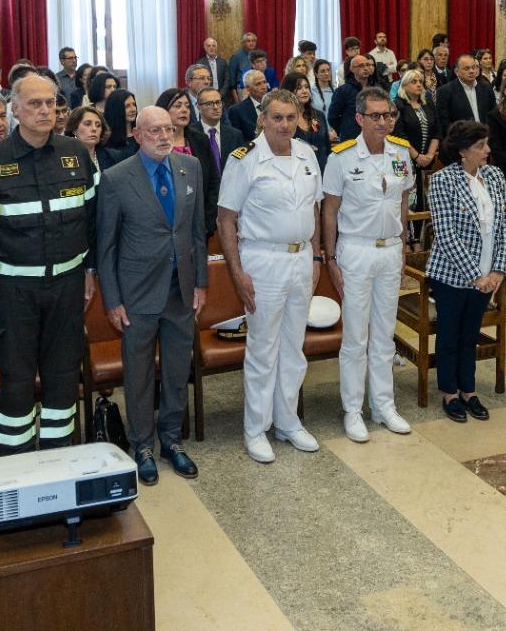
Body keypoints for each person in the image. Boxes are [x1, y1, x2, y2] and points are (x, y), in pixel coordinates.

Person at [0, 74, 100, 453]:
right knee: (18, 380)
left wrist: (90, 270)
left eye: (50, 103)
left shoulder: (75, 153)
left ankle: (58, 459)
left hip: (67, 286)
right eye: (35, 103)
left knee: (62, 375)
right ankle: (16, 463)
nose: (45, 110)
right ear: (15, 110)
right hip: (12, 292)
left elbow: (92, 219)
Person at [95, 108, 207, 486]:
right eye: (155, 130)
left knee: (177, 372)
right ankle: (142, 446)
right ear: (137, 135)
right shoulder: (115, 178)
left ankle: (171, 441)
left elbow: (195, 233)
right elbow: (105, 247)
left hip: (181, 291)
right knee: (140, 374)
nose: (164, 136)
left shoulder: (189, 168)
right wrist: (112, 300)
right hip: (137, 295)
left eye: (169, 129)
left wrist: (201, 283)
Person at [216, 89, 324, 464]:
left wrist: (317, 259)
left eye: (290, 118)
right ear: (262, 118)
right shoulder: (245, 159)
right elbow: (226, 219)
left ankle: (288, 421)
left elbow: (314, 208)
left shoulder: (308, 154)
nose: (284, 125)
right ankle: (256, 428)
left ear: (299, 119)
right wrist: (237, 272)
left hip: (301, 259)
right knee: (263, 349)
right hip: (262, 261)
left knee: (293, 348)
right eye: (276, 117)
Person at [322, 88, 414, 441]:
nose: (383, 122)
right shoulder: (342, 157)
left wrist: (403, 246)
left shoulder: (400, 152)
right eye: (375, 116)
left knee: (384, 333)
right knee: (356, 336)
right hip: (355, 251)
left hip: (389, 250)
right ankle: (352, 409)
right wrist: (330, 258)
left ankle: (383, 405)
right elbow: (329, 212)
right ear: (359, 118)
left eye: (388, 115)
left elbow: (402, 200)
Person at [425, 120, 506, 422]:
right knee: (450, 334)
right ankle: (450, 393)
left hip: (489, 272)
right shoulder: (442, 181)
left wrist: (498, 271)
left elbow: (505, 225)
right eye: (480, 146)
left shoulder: (495, 175)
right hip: (453, 274)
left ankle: (469, 390)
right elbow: (446, 235)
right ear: (462, 151)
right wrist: (476, 275)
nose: (487, 151)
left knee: (470, 334)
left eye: (486, 144)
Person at [158, 88, 220, 229]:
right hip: (164, 222)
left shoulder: (200, 139)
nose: (184, 110)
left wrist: (207, 219)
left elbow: (213, 181)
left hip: (198, 221)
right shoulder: (156, 142)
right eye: (178, 106)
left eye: (187, 106)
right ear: (163, 110)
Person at [392, 69, 440, 208]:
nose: (419, 85)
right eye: (414, 82)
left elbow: (437, 131)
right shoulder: (398, 105)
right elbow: (398, 135)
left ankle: (422, 230)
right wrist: (417, 156)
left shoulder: (428, 103)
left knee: (424, 203)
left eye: (420, 81)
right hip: (404, 160)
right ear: (404, 85)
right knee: (406, 202)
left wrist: (430, 155)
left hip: (427, 162)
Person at [283, 73, 332, 172]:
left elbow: (326, 146)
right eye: (299, 88)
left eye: (306, 87)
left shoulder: (318, 115)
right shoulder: (284, 119)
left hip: (322, 170)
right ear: (289, 91)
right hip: (296, 171)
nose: (305, 91)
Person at [436, 55, 496, 132]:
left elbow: (492, 115)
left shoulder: (486, 88)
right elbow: (444, 122)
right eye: (466, 68)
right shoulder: (445, 91)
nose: (471, 71)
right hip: (460, 139)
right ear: (456, 72)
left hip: (486, 138)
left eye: (474, 67)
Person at [195, 88, 244, 172]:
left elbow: (240, 166)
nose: (215, 107)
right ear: (199, 107)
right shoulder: (191, 134)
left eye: (218, 102)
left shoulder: (235, 135)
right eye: (209, 104)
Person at [101, 88, 140, 166]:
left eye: (134, 104)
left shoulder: (140, 133)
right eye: (127, 106)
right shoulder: (107, 140)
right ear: (116, 109)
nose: (133, 109)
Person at [228, 69, 267, 139]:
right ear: (248, 89)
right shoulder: (236, 111)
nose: (264, 87)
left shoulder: (274, 106)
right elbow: (237, 140)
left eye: (264, 82)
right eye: (258, 84)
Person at [311, 59, 338, 133]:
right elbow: (310, 117)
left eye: (328, 70)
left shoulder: (337, 91)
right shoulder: (310, 92)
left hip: (336, 135)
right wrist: (320, 133)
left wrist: (336, 132)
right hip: (317, 135)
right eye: (322, 71)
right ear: (316, 74)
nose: (326, 73)